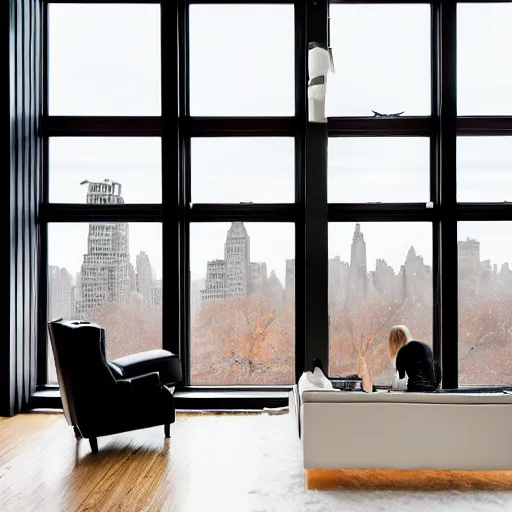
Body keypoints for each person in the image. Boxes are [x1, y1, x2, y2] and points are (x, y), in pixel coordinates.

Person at [388, 325, 438, 392]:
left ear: (393, 341)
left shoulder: (403, 352)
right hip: (433, 388)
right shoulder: (424, 347)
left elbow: (401, 381)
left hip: (415, 389)